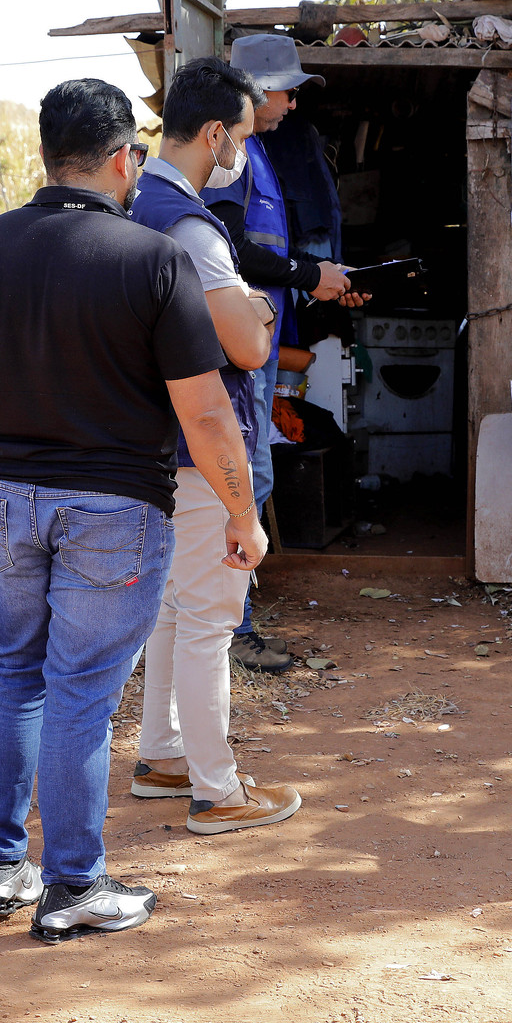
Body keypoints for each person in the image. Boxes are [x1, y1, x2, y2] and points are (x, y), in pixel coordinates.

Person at [0, 78, 272, 944]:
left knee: (16, 672)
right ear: (124, 160)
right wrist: (243, 511)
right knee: (78, 690)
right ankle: (74, 884)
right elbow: (204, 411)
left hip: (2, 498)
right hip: (115, 507)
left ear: (49, 156)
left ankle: (1, 865)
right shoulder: (153, 260)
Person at [127, 56, 307, 835]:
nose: (243, 149)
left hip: (153, 446)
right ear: (211, 133)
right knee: (210, 617)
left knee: (174, 607)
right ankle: (216, 788)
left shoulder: (135, 204)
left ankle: (163, 751)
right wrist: (262, 310)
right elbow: (248, 344)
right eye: (239, 134)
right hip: (199, 448)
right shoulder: (192, 227)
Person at [207, 34, 361, 671]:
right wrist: (309, 273)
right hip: (233, 345)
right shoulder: (227, 160)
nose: (293, 104)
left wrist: (319, 279)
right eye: (285, 90)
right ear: (248, 90)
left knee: (251, 473)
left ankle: (227, 624)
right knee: (241, 477)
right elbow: (228, 250)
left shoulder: (257, 153)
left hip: (258, 343)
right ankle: (227, 632)